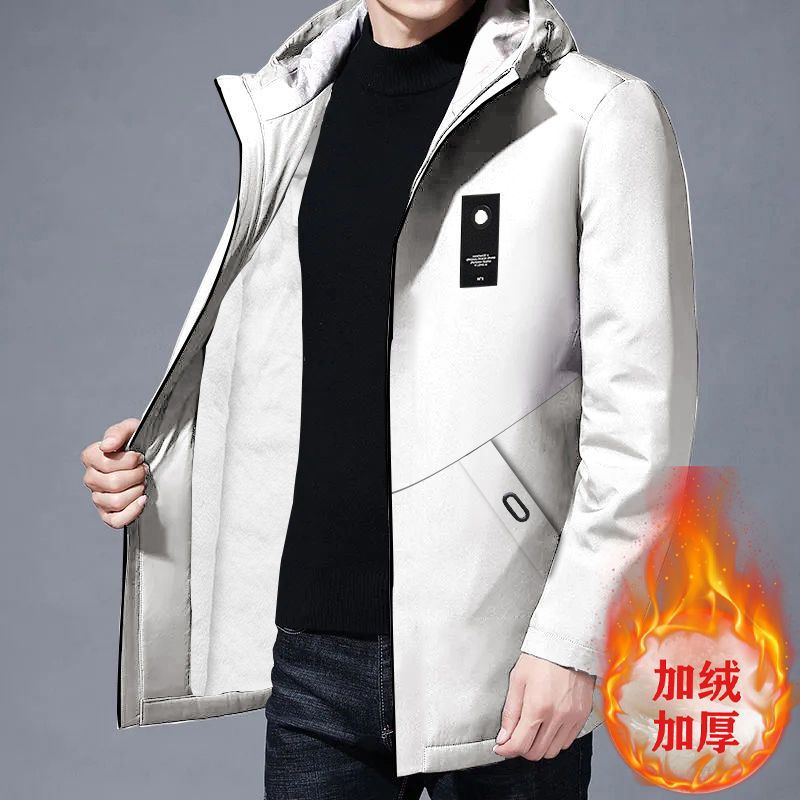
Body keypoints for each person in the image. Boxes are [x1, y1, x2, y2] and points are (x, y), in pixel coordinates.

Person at [80, 0, 697, 797]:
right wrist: (166, 455)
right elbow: (309, 353)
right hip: (314, 650)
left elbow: (643, 419)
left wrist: (573, 640)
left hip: (505, 653)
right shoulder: (296, 105)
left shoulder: (593, 113)